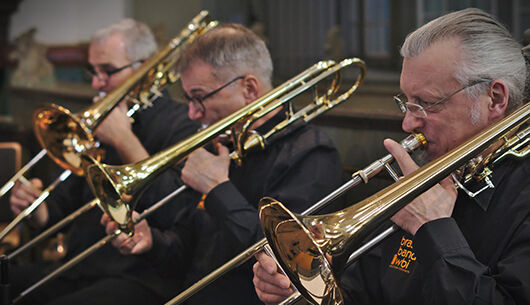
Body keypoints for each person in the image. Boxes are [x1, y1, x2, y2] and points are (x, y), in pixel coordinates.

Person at [253, 8, 530, 305]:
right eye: (406, 103)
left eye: (426, 103)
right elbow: (364, 290)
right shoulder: (427, 172)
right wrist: (301, 294)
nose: (407, 124)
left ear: (495, 98)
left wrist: (433, 230)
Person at [101, 23, 345, 304]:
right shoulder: (221, 147)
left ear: (249, 88)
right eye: (188, 99)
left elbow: (286, 262)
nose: (191, 113)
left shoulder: (312, 154)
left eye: (199, 98)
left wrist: (218, 188)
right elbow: (189, 255)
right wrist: (152, 242)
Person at [9, 19, 199, 305]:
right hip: (79, 267)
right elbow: (63, 203)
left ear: (146, 68)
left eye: (108, 71)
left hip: (139, 276)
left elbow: (177, 209)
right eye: (93, 72)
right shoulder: (97, 123)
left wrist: (124, 140)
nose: (97, 83)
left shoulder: (181, 122)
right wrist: (36, 207)